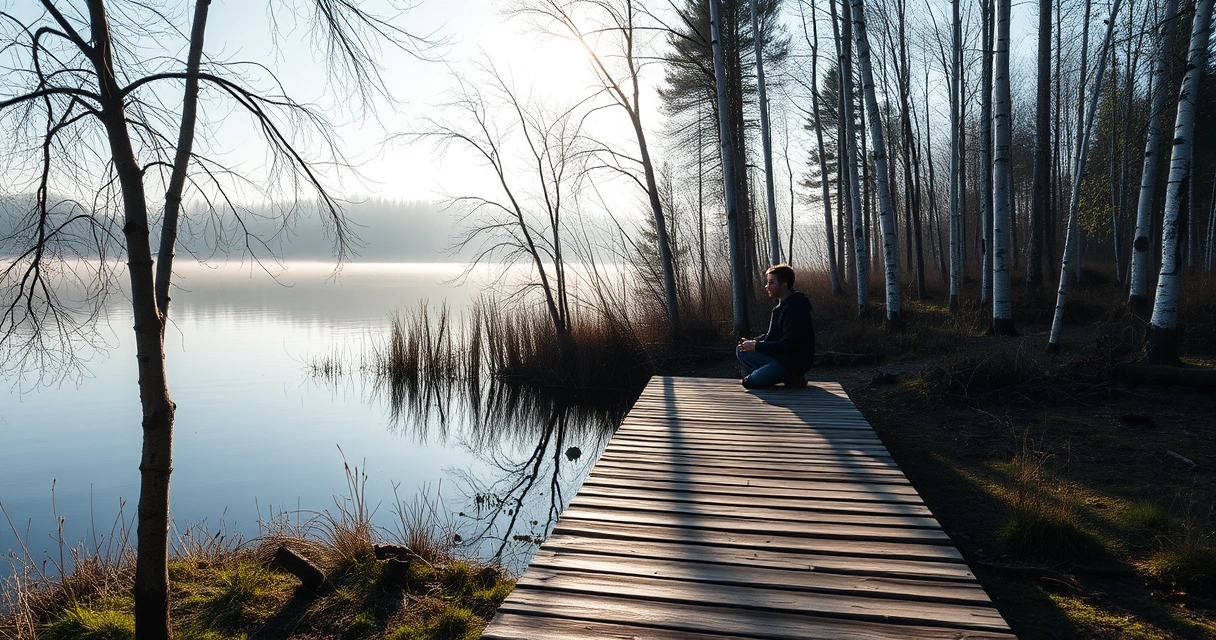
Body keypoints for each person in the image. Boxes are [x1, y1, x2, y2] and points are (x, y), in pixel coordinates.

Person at [736, 264, 815, 389]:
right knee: (742, 350)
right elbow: (773, 336)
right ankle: (784, 377)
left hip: (792, 363)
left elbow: (789, 344)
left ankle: (790, 376)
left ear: (784, 284)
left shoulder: (795, 308)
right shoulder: (781, 306)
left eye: (771, 282)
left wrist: (757, 346)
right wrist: (754, 341)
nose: (767, 286)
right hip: (781, 357)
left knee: (749, 382)